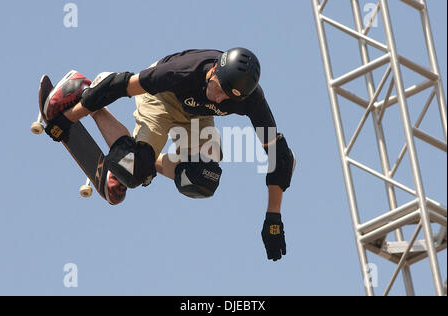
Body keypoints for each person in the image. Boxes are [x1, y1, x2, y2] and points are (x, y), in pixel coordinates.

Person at [43, 48, 295, 262]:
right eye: (216, 88)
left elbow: (280, 158)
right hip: (162, 99)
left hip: (196, 116)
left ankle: (131, 165)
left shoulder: (252, 101)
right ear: (213, 71)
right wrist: (68, 119)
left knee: (202, 180)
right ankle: (84, 88)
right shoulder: (181, 71)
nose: (217, 98)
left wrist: (273, 217)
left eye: (225, 98)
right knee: (134, 170)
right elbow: (120, 86)